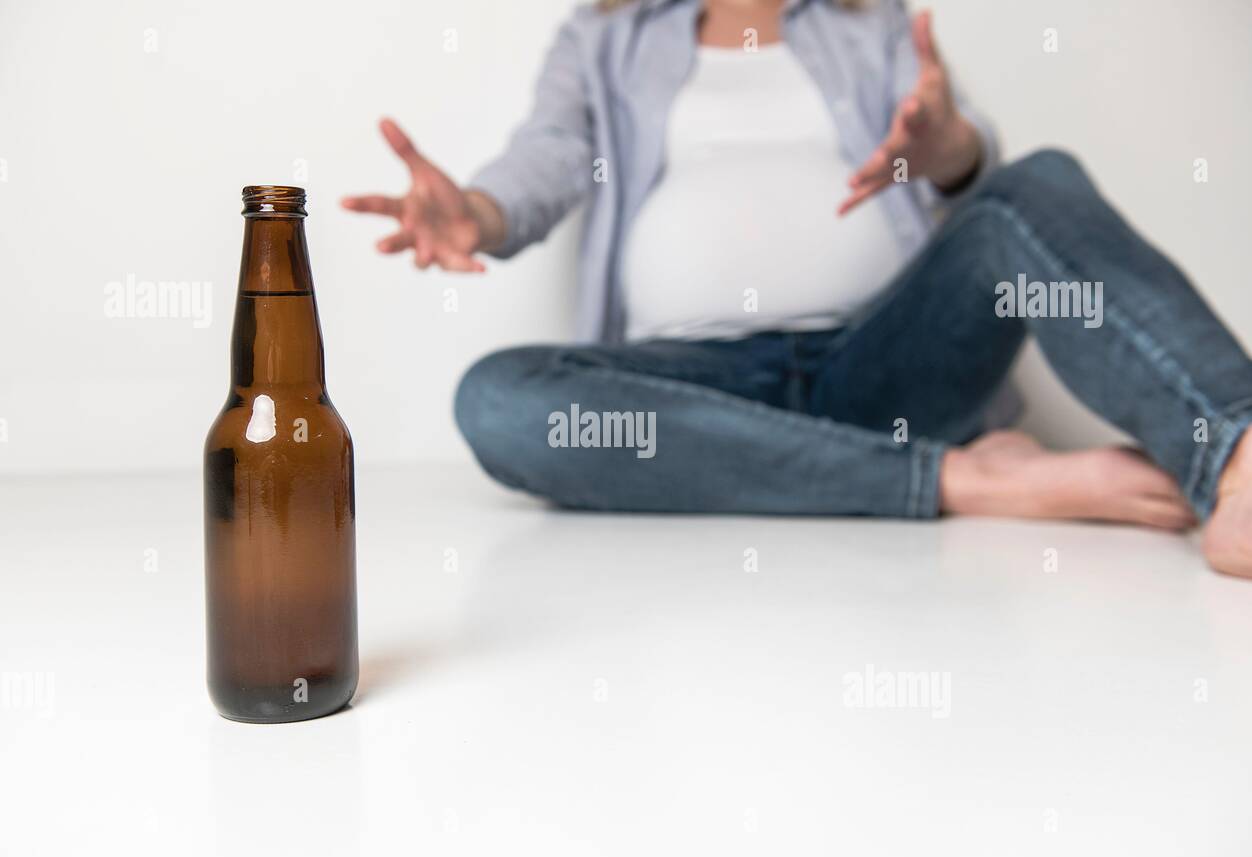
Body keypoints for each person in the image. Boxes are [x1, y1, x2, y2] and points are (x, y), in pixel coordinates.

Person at [342, 0, 1252, 579]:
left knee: (1039, 184)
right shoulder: (605, 38)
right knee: (501, 402)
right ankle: (967, 477)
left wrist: (948, 151)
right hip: (693, 391)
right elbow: (545, 159)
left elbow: (965, 147)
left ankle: (1241, 458)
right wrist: (477, 210)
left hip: (888, 368)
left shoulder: (871, 25)